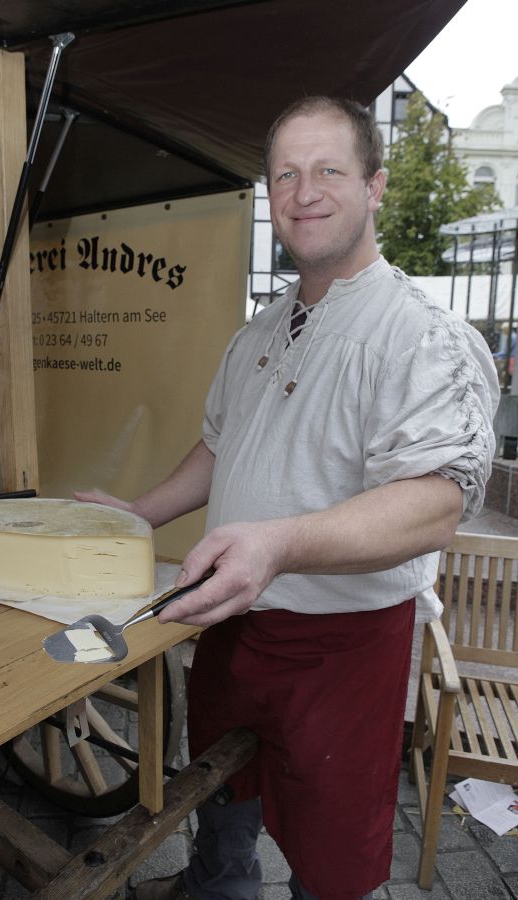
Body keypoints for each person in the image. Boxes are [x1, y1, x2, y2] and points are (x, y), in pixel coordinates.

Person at [75, 96, 499, 900]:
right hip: (232, 623)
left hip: (344, 647)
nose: (304, 192)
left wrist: (279, 543)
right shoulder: (258, 333)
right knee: (220, 801)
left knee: (329, 854)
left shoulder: (422, 335)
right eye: (285, 175)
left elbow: (436, 502)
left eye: (328, 170)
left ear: (375, 186)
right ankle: (220, 887)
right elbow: (220, 446)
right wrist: (141, 514)